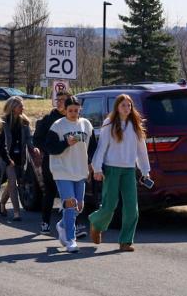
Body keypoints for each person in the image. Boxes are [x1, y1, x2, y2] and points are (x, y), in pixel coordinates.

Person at [88, 94, 151, 251]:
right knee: (109, 206)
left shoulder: (135, 124)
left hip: (129, 170)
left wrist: (145, 170)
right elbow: (102, 147)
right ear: (117, 107)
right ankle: (96, 222)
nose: (127, 108)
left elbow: (141, 150)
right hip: (112, 169)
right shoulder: (109, 123)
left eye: (129, 105)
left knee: (132, 208)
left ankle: (125, 241)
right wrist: (97, 168)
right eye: (123, 105)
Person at [43, 96, 93, 253]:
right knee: (70, 204)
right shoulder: (58, 126)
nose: (73, 113)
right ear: (65, 110)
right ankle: (71, 240)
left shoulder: (86, 124)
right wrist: (66, 143)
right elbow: (49, 147)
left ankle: (63, 225)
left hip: (80, 170)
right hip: (62, 170)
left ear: (80, 110)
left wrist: (92, 165)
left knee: (79, 206)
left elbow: (92, 148)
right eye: (70, 110)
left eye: (76, 110)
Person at [31, 90, 68, 234]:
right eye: (57, 99)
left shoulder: (74, 117)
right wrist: (45, 149)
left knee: (69, 193)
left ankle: (71, 224)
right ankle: (45, 222)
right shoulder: (48, 118)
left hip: (70, 162)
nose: (59, 102)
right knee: (50, 192)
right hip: (51, 160)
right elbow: (37, 139)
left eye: (62, 99)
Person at [0, 96, 30, 221]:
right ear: (13, 107)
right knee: (13, 183)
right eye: (20, 106)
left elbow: (28, 138)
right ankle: (16, 212)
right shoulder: (2, 122)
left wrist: (33, 147)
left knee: (13, 182)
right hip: (5, 157)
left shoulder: (24, 122)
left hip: (19, 157)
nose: (23, 108)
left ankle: (1, 203)